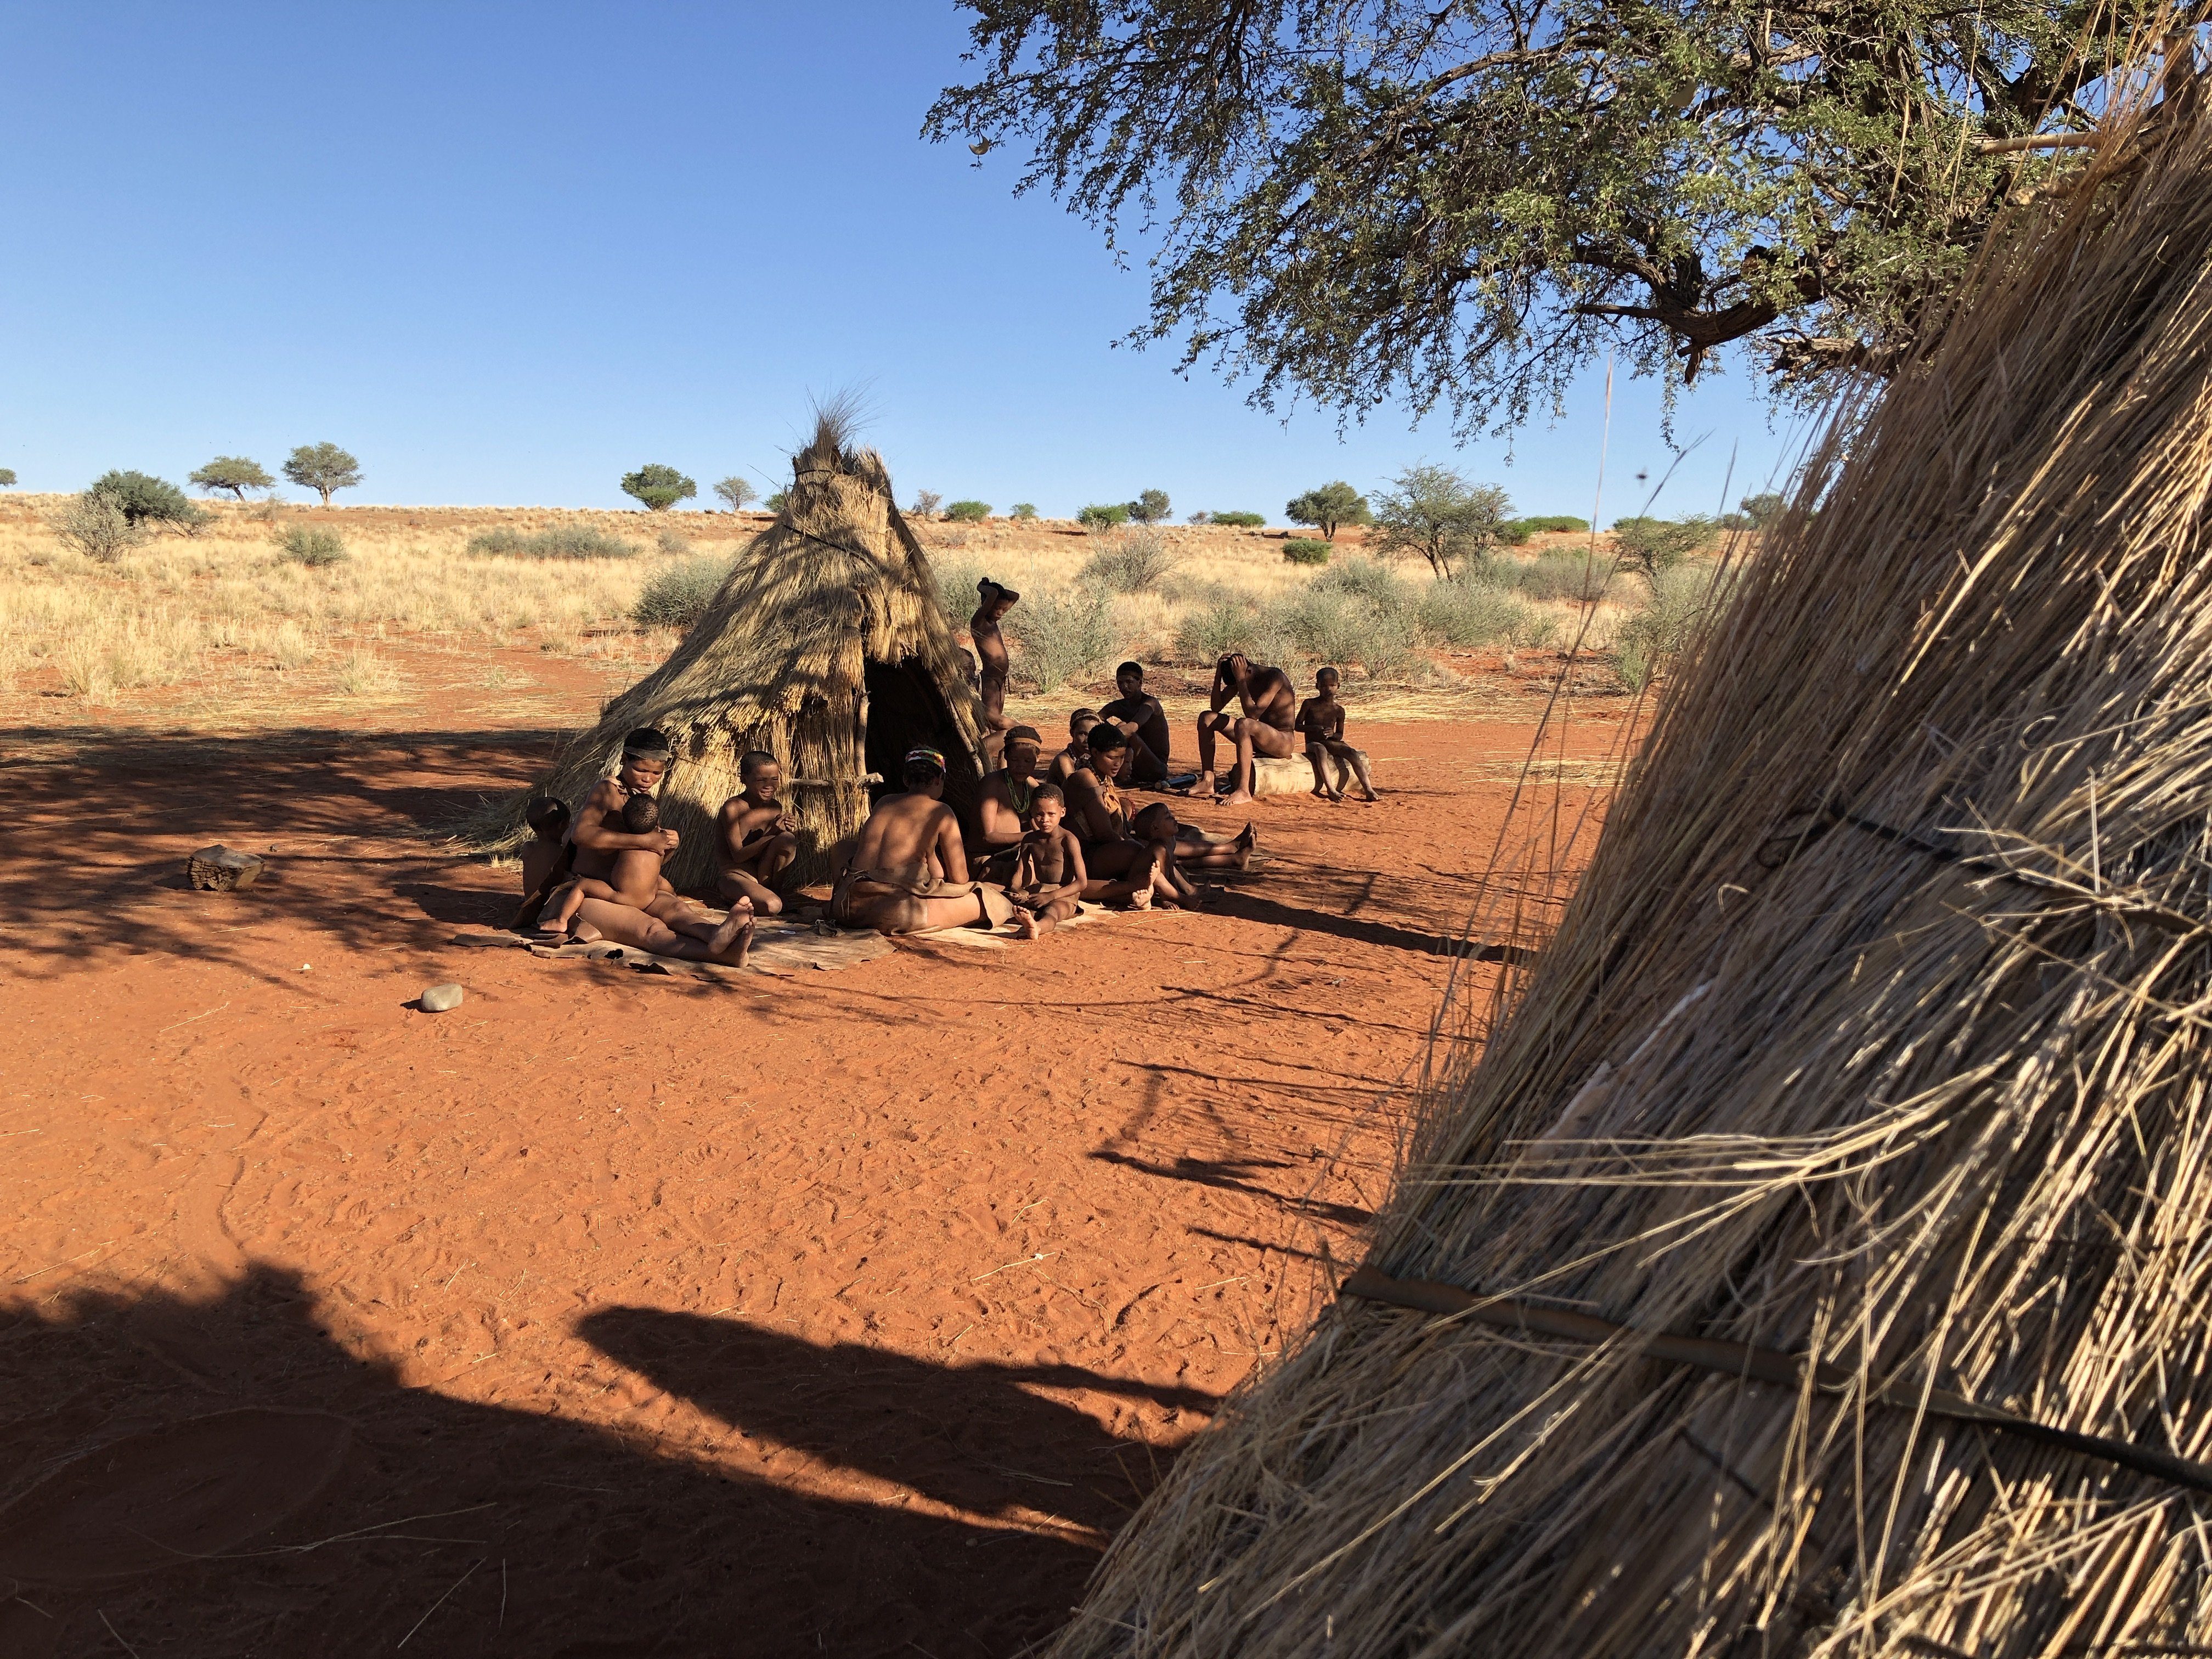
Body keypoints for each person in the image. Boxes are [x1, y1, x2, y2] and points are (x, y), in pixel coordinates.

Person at [555, 726, 755, 964]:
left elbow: (651, 860)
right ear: (624, 760)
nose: (648, 779)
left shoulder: (643, 801)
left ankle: (717, 934)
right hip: (595, 893)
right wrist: (643, 840)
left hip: (635, 891)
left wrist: (668, 847)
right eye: (640, 770)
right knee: (650, 930)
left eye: (656, 773)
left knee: (679, 913)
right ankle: (722, 955)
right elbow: (582, 834)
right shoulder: (606, 791)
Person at [830, 747, 1017, 933]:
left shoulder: (884, 802)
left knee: (844, 847)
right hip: (896, 912)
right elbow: (960, 879)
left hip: (847, 906)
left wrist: (929, 854)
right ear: (939, 780)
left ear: (906, 780)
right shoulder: (941, 812)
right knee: (987, 900)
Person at [1061, 724, 1165, 907]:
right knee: (1138, 851)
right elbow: (1104, 834)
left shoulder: (1103, 775)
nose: (1118, 763)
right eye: (1112, 757)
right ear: (1094, 753)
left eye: (1122, 757)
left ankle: (1166, 890)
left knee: (1160, 847)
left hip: (1102, 850)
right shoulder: (1085, 778)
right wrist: (1135, 844)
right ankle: (1158, 891)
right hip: (1082, 855)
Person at [540, 792, 667, 936]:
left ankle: (561, 921)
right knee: (661, 881)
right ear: (657, 823)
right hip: (649, 898)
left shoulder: (625, 841)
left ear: (623, 824)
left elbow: (602, 852)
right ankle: (673, 896)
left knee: (582, 885)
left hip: (623, 897)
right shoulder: (658, 843)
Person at [1194, 652, 1297, 806]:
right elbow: (1216, 706)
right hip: (1257, 737)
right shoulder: (1242, 679)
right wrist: (1218, 676)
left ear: (1248, 670)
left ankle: (1244, 790)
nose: (1238, 685)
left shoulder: (1274, 677)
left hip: (1282, 741)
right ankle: (1208, 780)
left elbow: (1253, 714)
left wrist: (1241, 679)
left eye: (1239, 680)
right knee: (1207, 718)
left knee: (1244, 724)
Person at [714, 750, 799, 914]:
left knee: (788, 839)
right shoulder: (732, 809)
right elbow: (738, 856)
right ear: (744, 780)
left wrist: (782, 830)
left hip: (762, 875)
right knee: (772, 906)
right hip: (736, 875)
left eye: (775, 779)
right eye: (761, 780)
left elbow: (771, 848)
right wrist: (772, 834)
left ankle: (775, 891)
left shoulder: (774, 807)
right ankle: (737, 895)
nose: (769, 786)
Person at [1006, 783, 1087, 938]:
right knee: (1012, 906)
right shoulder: (1029, 840)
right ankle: (1028, 918)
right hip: (1039, 892)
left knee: (1053, 912)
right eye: (1039, 814)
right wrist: (1016, 890)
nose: (1045, 820)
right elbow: (1020, 871)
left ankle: (1038, 927)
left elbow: (1082, 882)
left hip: (1064, 895)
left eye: (1051, 814)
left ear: (1062, 812)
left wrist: (1051, 896)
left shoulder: (1068, 840)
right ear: (1031, 812)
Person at [974, 725, 1046, 882]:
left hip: (1020, 853)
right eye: (1015, 760)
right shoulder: (992, 784)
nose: (1021, 766)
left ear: (1038, 759)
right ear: (1006, 756)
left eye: (1028, 761)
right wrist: (1029, 836)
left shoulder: (1033, 786)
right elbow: (988, 836)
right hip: (987, 859)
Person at [1297, 665, 1379, 802]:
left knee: (1352, 753)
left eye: (1332, 685)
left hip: (1331, 742)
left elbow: (1340, 735)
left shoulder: (1339, 710)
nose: (1328, 689)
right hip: (1313, 743)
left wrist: (1332, 734)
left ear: (1338, 686)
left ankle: (1369, 789)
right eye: (1323, 686)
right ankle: (1331, 789)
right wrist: (1314, 728)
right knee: (1321, 750)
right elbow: (1297, 726)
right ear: (1317, 686)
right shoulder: (1309, 704)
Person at [1098, 662, 1171, 783]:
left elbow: (1132, 728)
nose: (1124, 687)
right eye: (1120, 683)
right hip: (1133, 768)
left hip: (1156, 769)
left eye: (1129, 682)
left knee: (1124, 729)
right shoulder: (1119, 706)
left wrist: (1107, 736)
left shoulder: (1151, 704)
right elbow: (1095, 720)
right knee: (1106, 729)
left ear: (1140, 683)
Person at [510, 796, 573, 930]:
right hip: (550, 910)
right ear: (562, 825)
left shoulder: (528, 849)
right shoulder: (561, 853)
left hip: (530, 905)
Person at [969, 578, 1020, 732]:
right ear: (987, 604)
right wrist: (982, 587)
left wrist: (999, 594)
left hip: (1000, 679)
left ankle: (1000, 754)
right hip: (990, 679)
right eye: (997, 608)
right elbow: (993, 594)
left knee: (996, 722)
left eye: (1003, 610)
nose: (1001, 613)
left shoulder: (993, 621)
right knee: (995, 720)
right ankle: (1022, 730)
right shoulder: (979, 621)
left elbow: (1015, 596)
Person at [1048, 710, 1102, 786]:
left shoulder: (1091, 756)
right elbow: (1075, 789)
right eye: (1082, 734)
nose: (1088, 740)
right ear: (1072, 733)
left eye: (1093, 734)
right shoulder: (1064, 760)